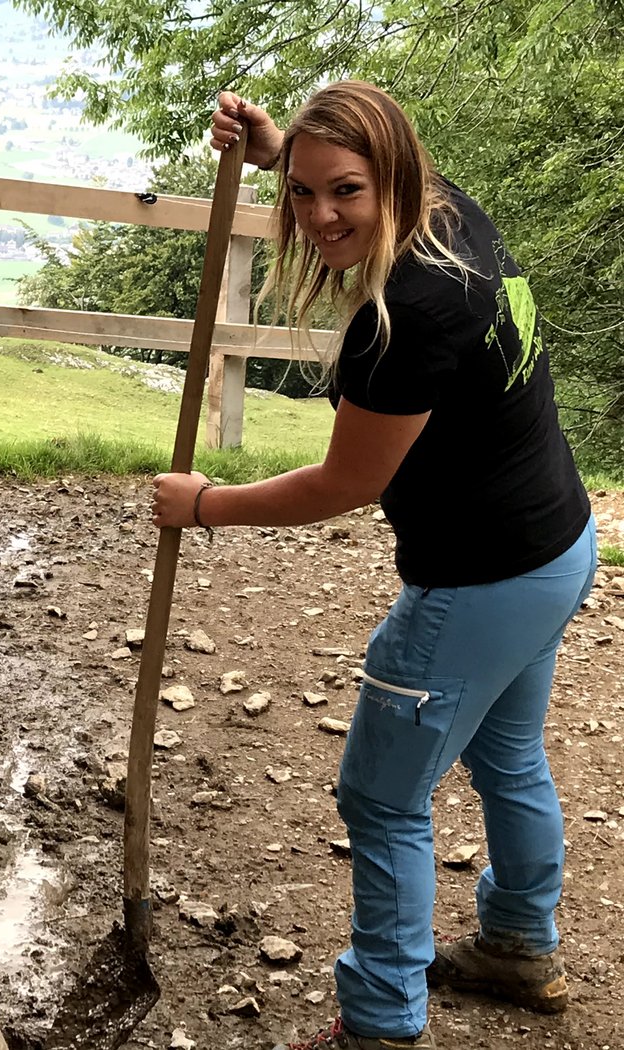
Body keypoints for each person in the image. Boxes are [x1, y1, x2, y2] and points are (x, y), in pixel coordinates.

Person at [151, 80, 597, 1050]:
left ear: (388, 176)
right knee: (507, 757)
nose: (316, 217)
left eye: (341, 192)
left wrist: (204, 505)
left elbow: (340, 484)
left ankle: (378, 1025)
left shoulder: (404, 320)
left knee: (379, 797)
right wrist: (279, 148)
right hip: (554, 546)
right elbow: (341, 177)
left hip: (476, 585)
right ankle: (519, 945)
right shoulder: (448, 212)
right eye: (302, 193)